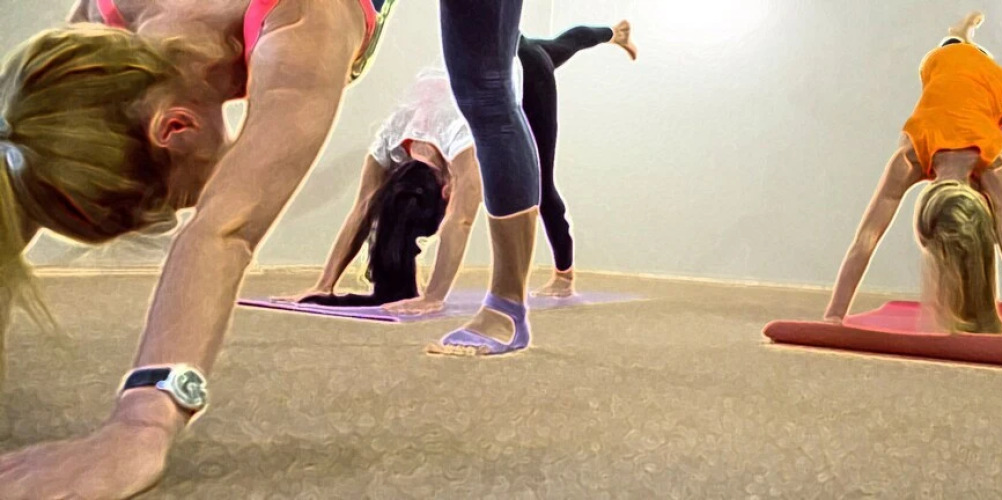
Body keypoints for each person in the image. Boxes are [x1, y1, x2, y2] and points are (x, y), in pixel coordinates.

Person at [0, 0, 398, 497]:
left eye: (162, 205)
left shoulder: (302, 26)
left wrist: (142, 423)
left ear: (175, 128)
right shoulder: (96, 34)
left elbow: (223, 229)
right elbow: (25, 163)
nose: (175, 217)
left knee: (480, 91)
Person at [275, 22, 637, 312]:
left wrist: (434, 297)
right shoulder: (388, 140)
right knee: (559, 45)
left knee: (540, 184)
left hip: (522, 68)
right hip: (481, 57)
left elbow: (461, 220)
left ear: (446, 191)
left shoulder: (461, 142)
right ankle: (615, 33)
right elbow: (363, 208)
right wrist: (324, 285)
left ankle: (564, 275)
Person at [822, 12, 1002, 341]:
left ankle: (962, 34)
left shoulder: (994, 163)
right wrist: (832, 317)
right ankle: (961, 33)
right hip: (946, 62)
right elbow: (865, 240)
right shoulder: (912, 153)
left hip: (999, 91)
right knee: (952, 44)